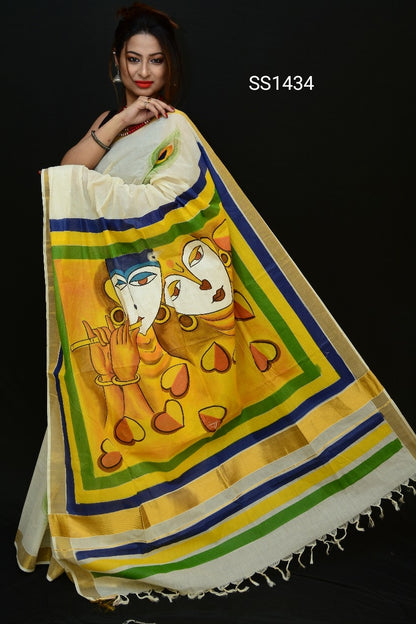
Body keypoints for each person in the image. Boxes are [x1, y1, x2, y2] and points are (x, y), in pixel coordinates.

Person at [15, 2, 416, 607]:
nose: (144, 72)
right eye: (133, 60)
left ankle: (195, 528)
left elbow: (176, 199)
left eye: (155, 61)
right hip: (112, 299)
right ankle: (79, 534)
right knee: (89, 405)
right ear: (116, 63)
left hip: (161, 295)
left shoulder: (176, 128)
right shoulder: (113, 124)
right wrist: (118, 121)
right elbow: (69, 176)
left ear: (169, 66)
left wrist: (125, 172)